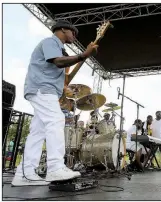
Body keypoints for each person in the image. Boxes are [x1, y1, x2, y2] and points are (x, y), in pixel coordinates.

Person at [12, 20, 98, 186]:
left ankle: (24, 174)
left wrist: (65, 89)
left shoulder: (59, 48)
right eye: (73, 32)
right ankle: (55, 168)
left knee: (38, 132)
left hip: (45, 90)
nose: (75, 36)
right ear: (63, 29)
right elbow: (58, 62)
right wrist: (83, 55)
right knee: (56, 120)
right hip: (42, 89)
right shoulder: (51, 42)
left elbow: (57, 72)